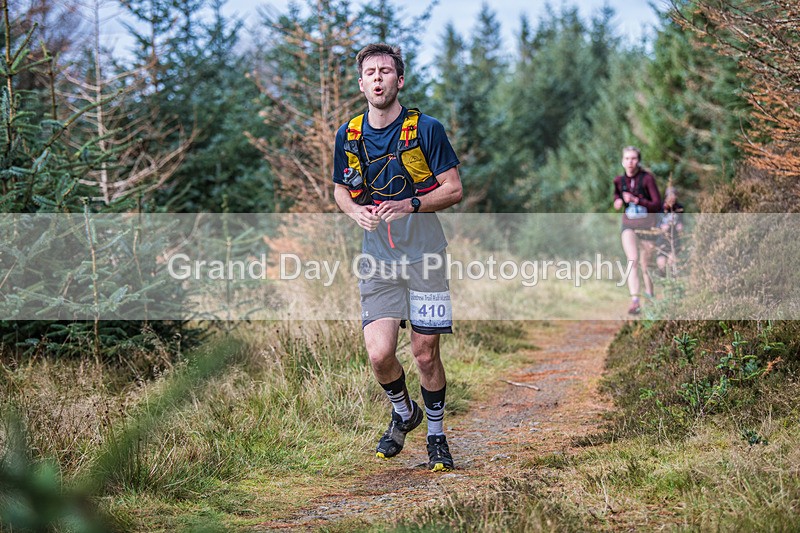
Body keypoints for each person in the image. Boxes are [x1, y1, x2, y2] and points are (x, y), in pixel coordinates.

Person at [331, 43, 463, 472]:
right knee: (379, 354)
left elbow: (454, 188)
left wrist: (412, 205)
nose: (378, 78)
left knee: (425, 355)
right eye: (370, 72)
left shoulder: (426, 128)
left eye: (385, 71)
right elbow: (340, 190)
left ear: (399, 80)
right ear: (361, 82)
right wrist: (355, 212)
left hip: (426, 256)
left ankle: (437, 436)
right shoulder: (349, 134)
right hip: (378, 260)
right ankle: (405, 412)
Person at [613, 146, 662, 315]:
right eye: (627, 158)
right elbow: (616, 195)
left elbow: (657, 204)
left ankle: (650, 297)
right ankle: (635, 301)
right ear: (622, 161)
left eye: (633, 158)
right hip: (629, 225)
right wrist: (618, 201)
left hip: (648, 226)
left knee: (646, 264)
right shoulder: (619, 181)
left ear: (638, 161)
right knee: (632, 260)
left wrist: (637, 200)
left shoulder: (647, 179)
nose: (630, 162)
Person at [656, 185, 684, 277]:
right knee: (662, 264)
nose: (673, 199)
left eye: (674, 197)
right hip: (662, 239)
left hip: (674, 238)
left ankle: (672, 284)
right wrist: (661, 227)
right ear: (666, 197)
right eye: (670, 197)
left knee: (672, 263)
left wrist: (680, 226)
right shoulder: (659, 208)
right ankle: (663, 282)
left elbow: (681, 221)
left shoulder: (679, 208)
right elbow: (655, 222)